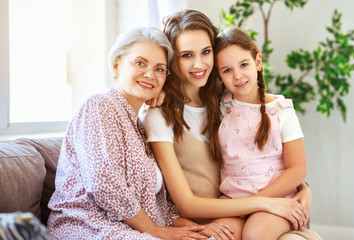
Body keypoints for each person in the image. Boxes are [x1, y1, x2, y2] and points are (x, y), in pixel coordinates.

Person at [144, 9, 317, 240]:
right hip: (224, 211)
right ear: (172, 59)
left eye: (205, 52)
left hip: (262, 206)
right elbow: (186, 204)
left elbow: (278, 158)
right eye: (186, 55)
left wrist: (304, 190)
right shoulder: (162, 115)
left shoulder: (223, 99)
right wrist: (161, 89)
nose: (198, 64)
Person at [47, 26, 225, 240]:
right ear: (116, 64)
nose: (150, 74)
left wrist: (200, 230)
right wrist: (155, 231)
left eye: (159, 69)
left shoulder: (141, 124)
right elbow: (104, 185)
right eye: (140, 63)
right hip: (86, 226)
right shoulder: (99, 106)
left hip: (130, 230)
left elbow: (155, 206)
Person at [212, 26, 313, 240]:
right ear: (219, 75)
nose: (237, 75)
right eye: (227, 70)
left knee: (255, 234)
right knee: (218, 235)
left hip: (275, 201)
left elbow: (297, 169)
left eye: (244, 64)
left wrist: (257, 202)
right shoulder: (222, 107)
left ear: (258, 62)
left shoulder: (281, 111)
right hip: (233, 202)